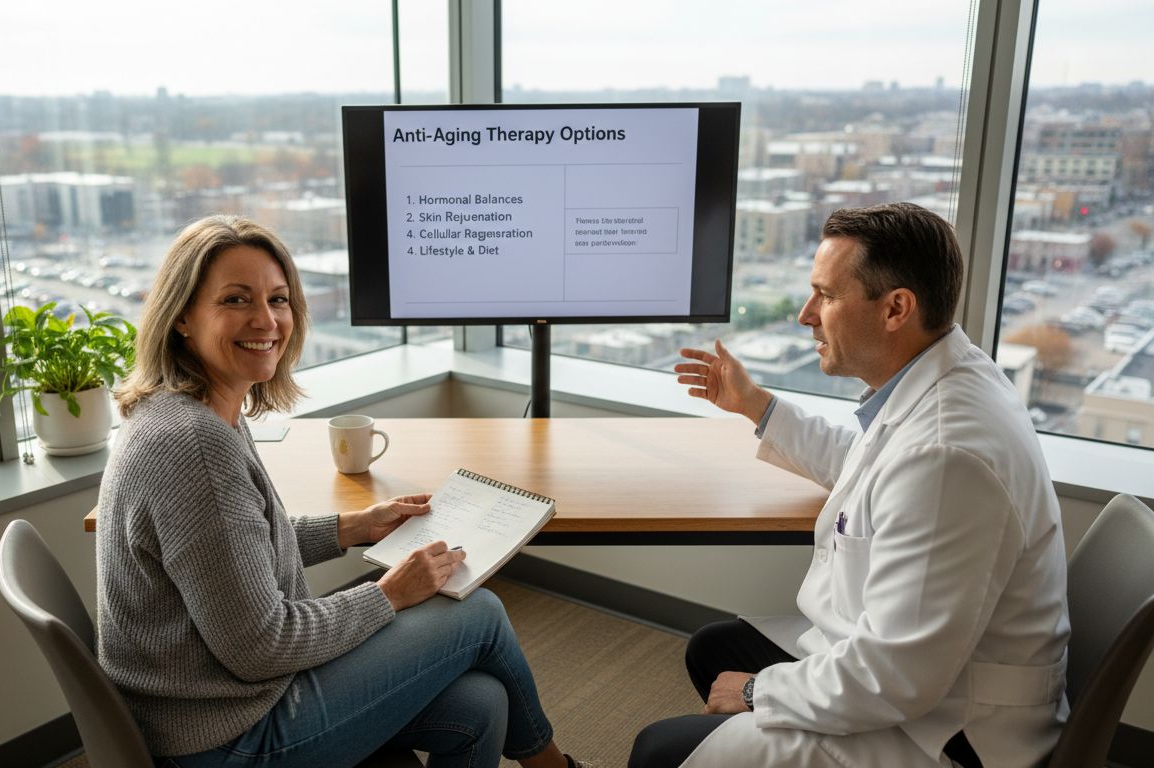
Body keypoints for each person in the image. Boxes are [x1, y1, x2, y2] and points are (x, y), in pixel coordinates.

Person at [97, 215, 589, 768]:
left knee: (481, 703)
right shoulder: (194, 445)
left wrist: (354, 528)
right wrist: (389, 594)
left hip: (220, 703)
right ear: (182, 317)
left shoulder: (196, 413)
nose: (266, 319)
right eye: (236, 300)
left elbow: (239, 553)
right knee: (479, 614)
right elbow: (262, 646)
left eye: (278, 300)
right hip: (225, 735)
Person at [630, 203, 1070, 768]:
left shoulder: (947, 456)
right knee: (712, 650)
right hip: (925, 668)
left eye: (827, 296)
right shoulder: (944, 376)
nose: (805, 314)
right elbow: (868, 466)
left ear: (895, 308)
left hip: (949, 730)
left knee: (655, 753)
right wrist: (756, 406)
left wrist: (755, 693)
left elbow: (895, 676)